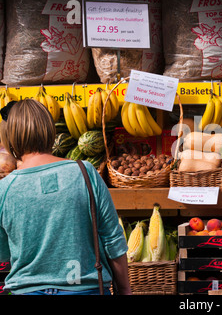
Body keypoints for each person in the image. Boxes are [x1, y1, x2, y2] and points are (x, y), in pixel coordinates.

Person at [0, 99, 131, 295]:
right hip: (84, 288)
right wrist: (125, 290)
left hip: (27, 290)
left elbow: (5, 252)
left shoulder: (4, 189)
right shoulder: (85, 172)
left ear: (9, 136)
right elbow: (113, 241)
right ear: (50, 130)